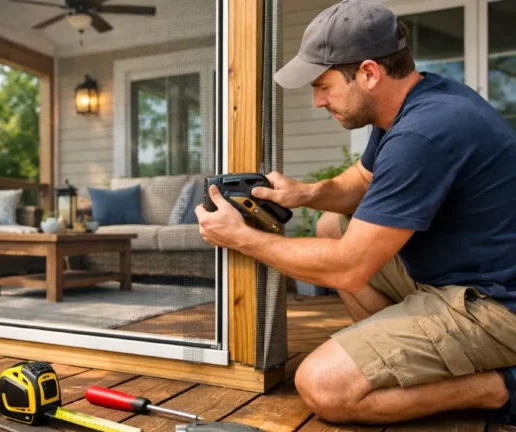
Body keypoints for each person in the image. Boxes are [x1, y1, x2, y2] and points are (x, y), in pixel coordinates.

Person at [195, 0, 516, 426]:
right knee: (331, 224)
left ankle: (503, 387)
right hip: (452, 275)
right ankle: (393, 351)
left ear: (368, 72)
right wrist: (304, 193)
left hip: (495, 307)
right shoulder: (411, 102)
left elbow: (348, 268)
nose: (317, 101)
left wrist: (242, 238)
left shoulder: (425, 132)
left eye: (322, 85)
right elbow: (361, 182)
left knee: (324, 386)